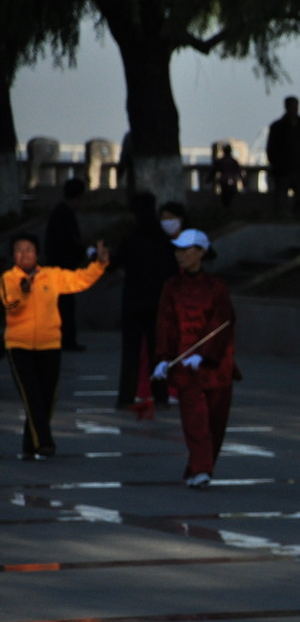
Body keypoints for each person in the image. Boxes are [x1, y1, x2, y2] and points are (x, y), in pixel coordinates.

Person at [2, 233, 109, 459]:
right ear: (13, 255)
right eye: (19, 250)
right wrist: (24, 291)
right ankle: (45, 441)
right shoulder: (8, 279)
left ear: (37, 253)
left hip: (49, 343)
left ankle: (30, 445)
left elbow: (80, 279)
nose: (24, 254)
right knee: (31, 394)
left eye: (29, 249)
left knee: (47, 395)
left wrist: (99, 264)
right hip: (19, 345)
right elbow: (9, 303)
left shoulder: (51, 276)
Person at [153, 229, 238, 488]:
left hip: (215, 367)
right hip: (185, 368)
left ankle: (197, 466)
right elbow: (165, 323)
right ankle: (202, 470)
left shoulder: (216, 287)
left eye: (185, 250)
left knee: (215, 422)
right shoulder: (171, 287)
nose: (180, 255)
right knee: (194, 420)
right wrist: (163, 357)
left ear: (200, 252)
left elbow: (223, 322)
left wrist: (204, 355)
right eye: (177, 250)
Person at [110, 192, 177, 409]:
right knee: (157, 350)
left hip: (133, 299)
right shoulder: (162, 239)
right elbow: (172, 270)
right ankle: (161, 394)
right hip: (157, 301)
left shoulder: (130, 237)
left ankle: (126, 395)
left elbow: (114, 263)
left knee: (131, 350)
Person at [43, 177, 90, 350]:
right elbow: (69, 241)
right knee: (65, 305)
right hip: (62, 268)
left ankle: (63, 339)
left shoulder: (60, 213)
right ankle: (66, 340)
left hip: (59, 267)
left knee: (63, 305)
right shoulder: (64, 214)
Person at [266, 96, 300, 218]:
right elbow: (272, 148)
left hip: (299, 169)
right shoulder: (278, 127)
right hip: (284, 171)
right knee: (281, 203)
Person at [210, 144, 245, 210]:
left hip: (223, 181)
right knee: (231, 197)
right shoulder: (234, 161)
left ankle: (226, 209)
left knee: (224, 196)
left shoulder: (221, 161)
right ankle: (229, 209)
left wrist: (209, 179)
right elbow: (239, 172)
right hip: (233, 181)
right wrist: (243, 181)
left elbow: (213, 171)